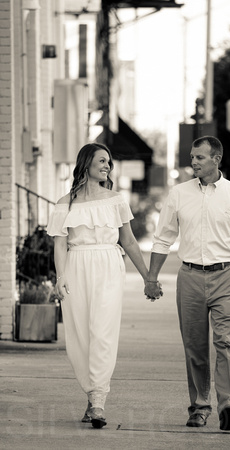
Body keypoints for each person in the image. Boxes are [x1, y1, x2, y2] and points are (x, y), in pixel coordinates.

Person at [144, 136, 230, 431]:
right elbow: (163, 239)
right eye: (192, 157)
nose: (194, 162)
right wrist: (151, 278)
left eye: (200, 157)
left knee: (227, 342)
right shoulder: (178, 194)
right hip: (189, 276)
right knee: (195, 347)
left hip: (226, 276)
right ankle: (200, 407)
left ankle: (229, 405)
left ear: (216, 159)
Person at [47, 143, 151, 429]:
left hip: (107, 264)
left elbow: (128, 241)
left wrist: (147, 277)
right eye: (102, 161)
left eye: (109, 162)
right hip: (76, 266)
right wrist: (60, 278)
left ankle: (98, 401)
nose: (107, 165)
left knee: (102, 331)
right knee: (80, 336)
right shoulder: (64, 204)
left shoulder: (116, 200)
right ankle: (91, 393)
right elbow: (60, 245)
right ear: (86, 164)